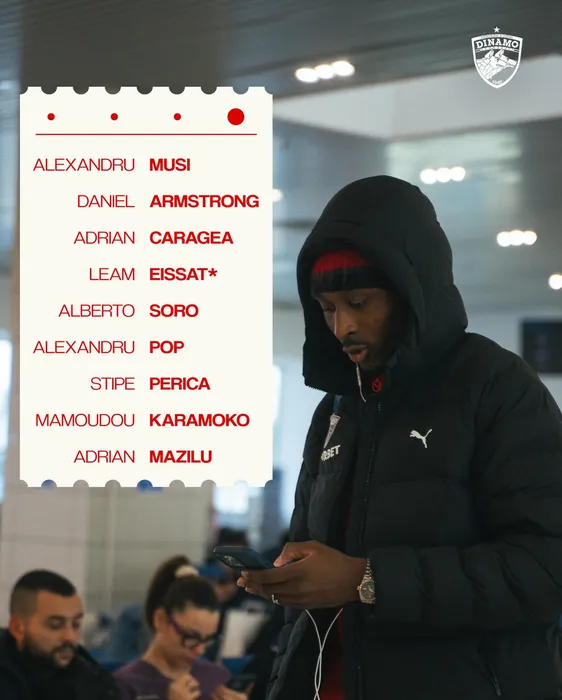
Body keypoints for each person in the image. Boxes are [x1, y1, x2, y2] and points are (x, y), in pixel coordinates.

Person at [238, 175, 562, 700]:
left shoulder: (496, 388)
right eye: (327, 308)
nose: (342, 327)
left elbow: (545, 568)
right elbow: (314, 582)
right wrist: (290, 582)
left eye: (359, 301)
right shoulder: (337, 409)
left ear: (410, 293)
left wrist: (367, 580)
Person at [114, 555, 251, 700]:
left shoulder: (216, 678)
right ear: (160, 619)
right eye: (191, 638)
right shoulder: (124, 685)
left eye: (208, 640)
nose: (200, 650)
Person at [0, 569, 119, 700]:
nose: (70, 637)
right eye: (55, 625)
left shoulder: (92, 682)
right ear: (17, 628)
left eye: (76, 624)